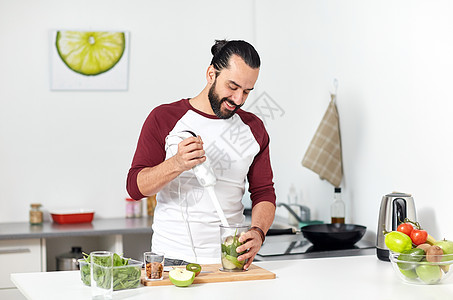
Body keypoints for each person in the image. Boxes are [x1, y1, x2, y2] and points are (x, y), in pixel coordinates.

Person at [127, 39, 276, 269]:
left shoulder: (253, 128)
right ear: (211, 74)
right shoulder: (164, 118)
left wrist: (258, 232)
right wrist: (176, 163)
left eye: (247, 91)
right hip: (171, 260)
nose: (238, 100)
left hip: (230, 260)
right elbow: (135, 188)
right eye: (233, 87)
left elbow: (264, 192)